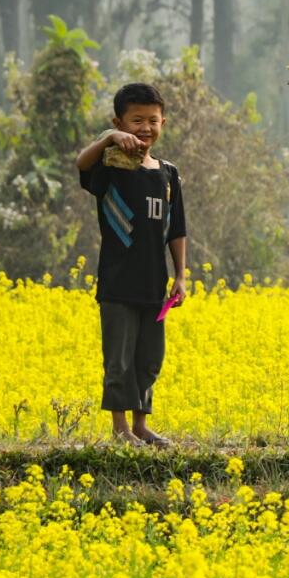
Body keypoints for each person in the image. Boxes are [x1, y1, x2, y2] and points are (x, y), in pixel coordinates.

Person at [75, 82, 186, 447]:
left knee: (149, 357)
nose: (145, 128)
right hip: (118, 283)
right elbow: (81, 163)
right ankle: (120, 428)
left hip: (155, 284)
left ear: (163, 122)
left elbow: (177, 230)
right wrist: (108, 138)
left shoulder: (168, 173)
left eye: (152, 120)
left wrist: (180, 276)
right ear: (119, 121)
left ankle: (141, 426)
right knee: (119, 358)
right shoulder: (111, 165)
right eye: (135, 120)